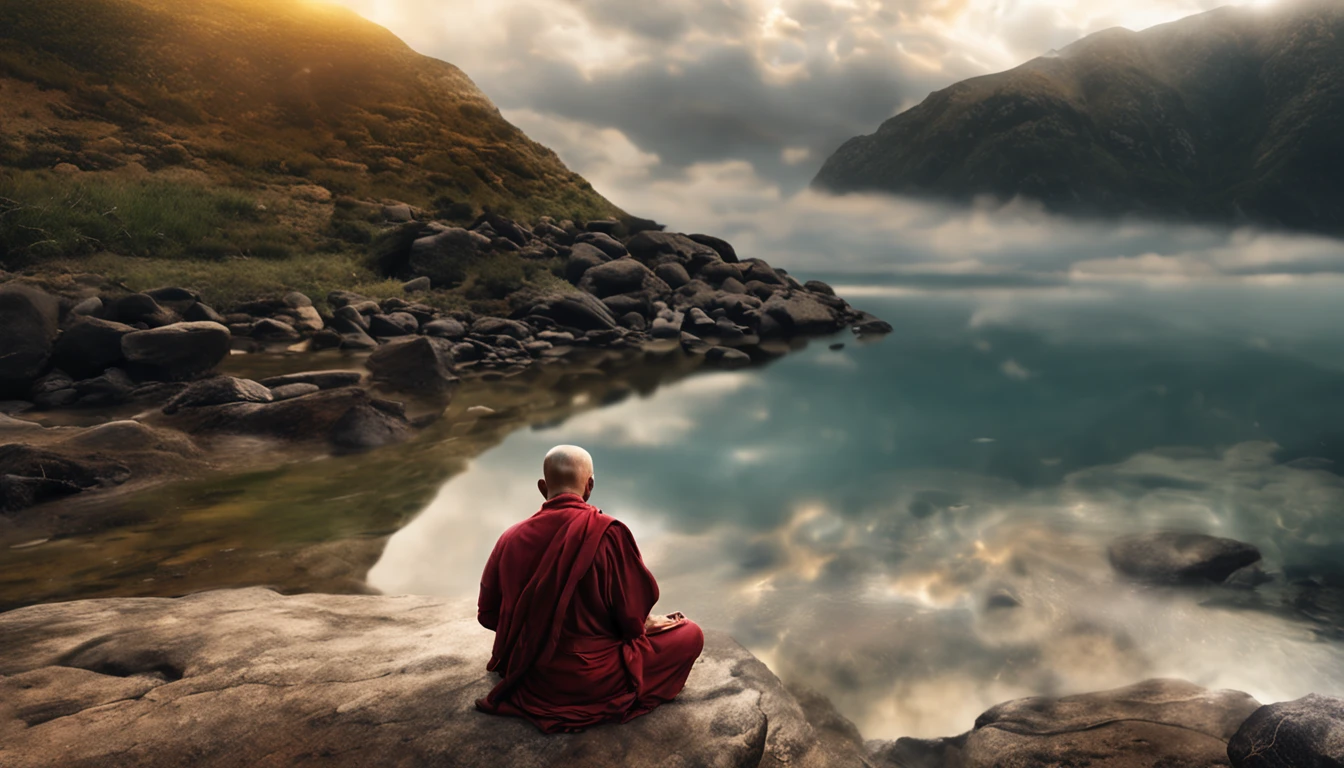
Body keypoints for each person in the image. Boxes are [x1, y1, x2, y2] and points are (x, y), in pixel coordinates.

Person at [475, 444, 704, 733]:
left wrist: (535, 635)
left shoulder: (509, 538)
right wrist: (648, 624)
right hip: (591, 678)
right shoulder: (608, 533)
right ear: (590, 485)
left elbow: (488, 615)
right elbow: (631, 622)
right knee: (690, 633)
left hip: (527, 675)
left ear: (542, 486)